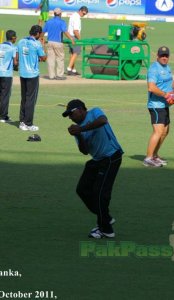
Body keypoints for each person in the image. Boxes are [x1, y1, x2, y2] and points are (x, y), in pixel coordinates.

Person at [62, 99, 123, 239]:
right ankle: (105, 217)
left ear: (81, 109)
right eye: (68, 116)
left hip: (111, 157)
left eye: (71, 114)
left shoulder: (95, 112)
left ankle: (106, 230)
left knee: (101, 193)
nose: (70, 117)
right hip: (97, 160)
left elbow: (103, 121)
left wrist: (81, 129)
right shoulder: (77, 129)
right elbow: (84, 151)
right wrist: (78, 135)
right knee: (82, 189)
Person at [144, 46, 174, 167]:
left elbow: (170, 80)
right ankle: (148, 158)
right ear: (157, 56)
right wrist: (166, 95)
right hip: (156, 105)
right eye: (162, 56)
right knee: (158, 131)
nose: (164, 58)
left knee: (165, 131)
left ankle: (154, 155)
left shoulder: (167, 67)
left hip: (164, 105)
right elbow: (151, 87)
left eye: (166, 56)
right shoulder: (154, 69)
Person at [16, 25, 47, 131]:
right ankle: (28, 123)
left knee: (24, 98)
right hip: (32, 75)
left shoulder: (21, 41)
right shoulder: (37, 43)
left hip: (22, 73)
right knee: (31, 99)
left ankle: (22, 122)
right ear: (37, 33)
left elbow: (17, 55)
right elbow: (44, 58)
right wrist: (43, 46)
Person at [41, 8, 74, 80]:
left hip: (49, 42)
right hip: (58, 42)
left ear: (54, 14)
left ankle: (51, 76)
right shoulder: (62, 22)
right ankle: (59, 75)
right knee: (60, 58)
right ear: (60, 14)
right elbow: (65, 31)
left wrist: (41, 38)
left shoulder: (49, 21)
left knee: (50, 59)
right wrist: (71, 38)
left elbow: (43, 31)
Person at [0, 30, 18, 123]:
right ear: (13, 38)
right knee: (5, 96)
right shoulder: (13, 48)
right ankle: (3, 116)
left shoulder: (0, 45)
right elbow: (15, 62)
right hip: (6, 75)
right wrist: (17, 66)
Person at [66, 6, 88, 76]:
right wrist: (79, 39)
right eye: (83, 14)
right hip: (74, 36)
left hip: (70, 36)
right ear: (80, 11)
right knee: (76, 52)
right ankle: (69, 68)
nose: (83, 15)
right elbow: (75, 31)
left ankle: (73, 69)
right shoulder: (77, 18)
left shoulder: (73, 15)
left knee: (72, 53)